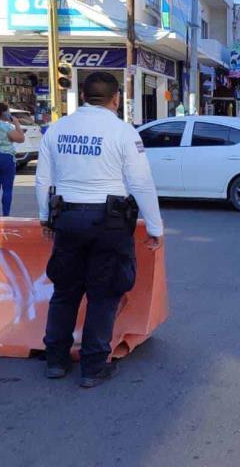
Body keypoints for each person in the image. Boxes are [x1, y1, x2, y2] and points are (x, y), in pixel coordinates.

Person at [35, 71, 164, 388]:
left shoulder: (57, 129)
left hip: (67, 218)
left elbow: (43, 179)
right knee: (103, 294)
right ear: (116, 98)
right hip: (109, 222)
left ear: (82, 97)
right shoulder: (122, 132)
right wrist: (155, 226)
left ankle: (55, 360)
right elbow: (141, 182)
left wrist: (45, 218)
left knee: (65, 291)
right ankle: (93, 366)